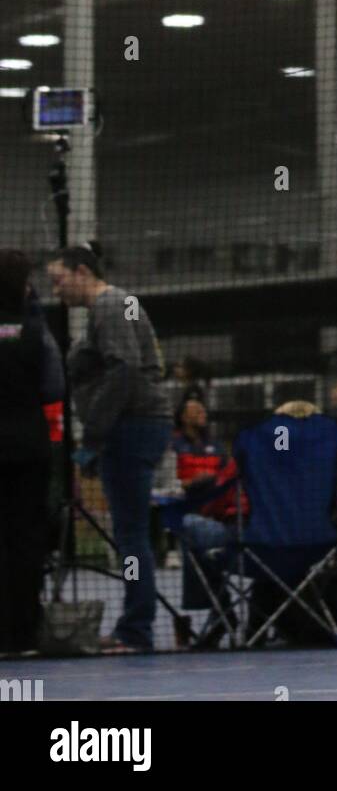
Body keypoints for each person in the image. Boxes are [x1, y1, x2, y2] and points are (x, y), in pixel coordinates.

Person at [48, 244, 172, 655]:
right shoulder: (119, 306)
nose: (56, 289)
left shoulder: (112, 306)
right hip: (136, 427)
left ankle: (135, 630)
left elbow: (125, 369)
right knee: (131, 533)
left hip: (132, 428)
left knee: (131, 535)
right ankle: (134, 626)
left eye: (59, 279)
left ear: (81, 271)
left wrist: (93, 437)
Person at [0, 250, 65, 656]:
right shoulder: (35, 331)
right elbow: (55, 387)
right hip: (27, 450)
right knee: (26, 540)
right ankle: (22, 635)